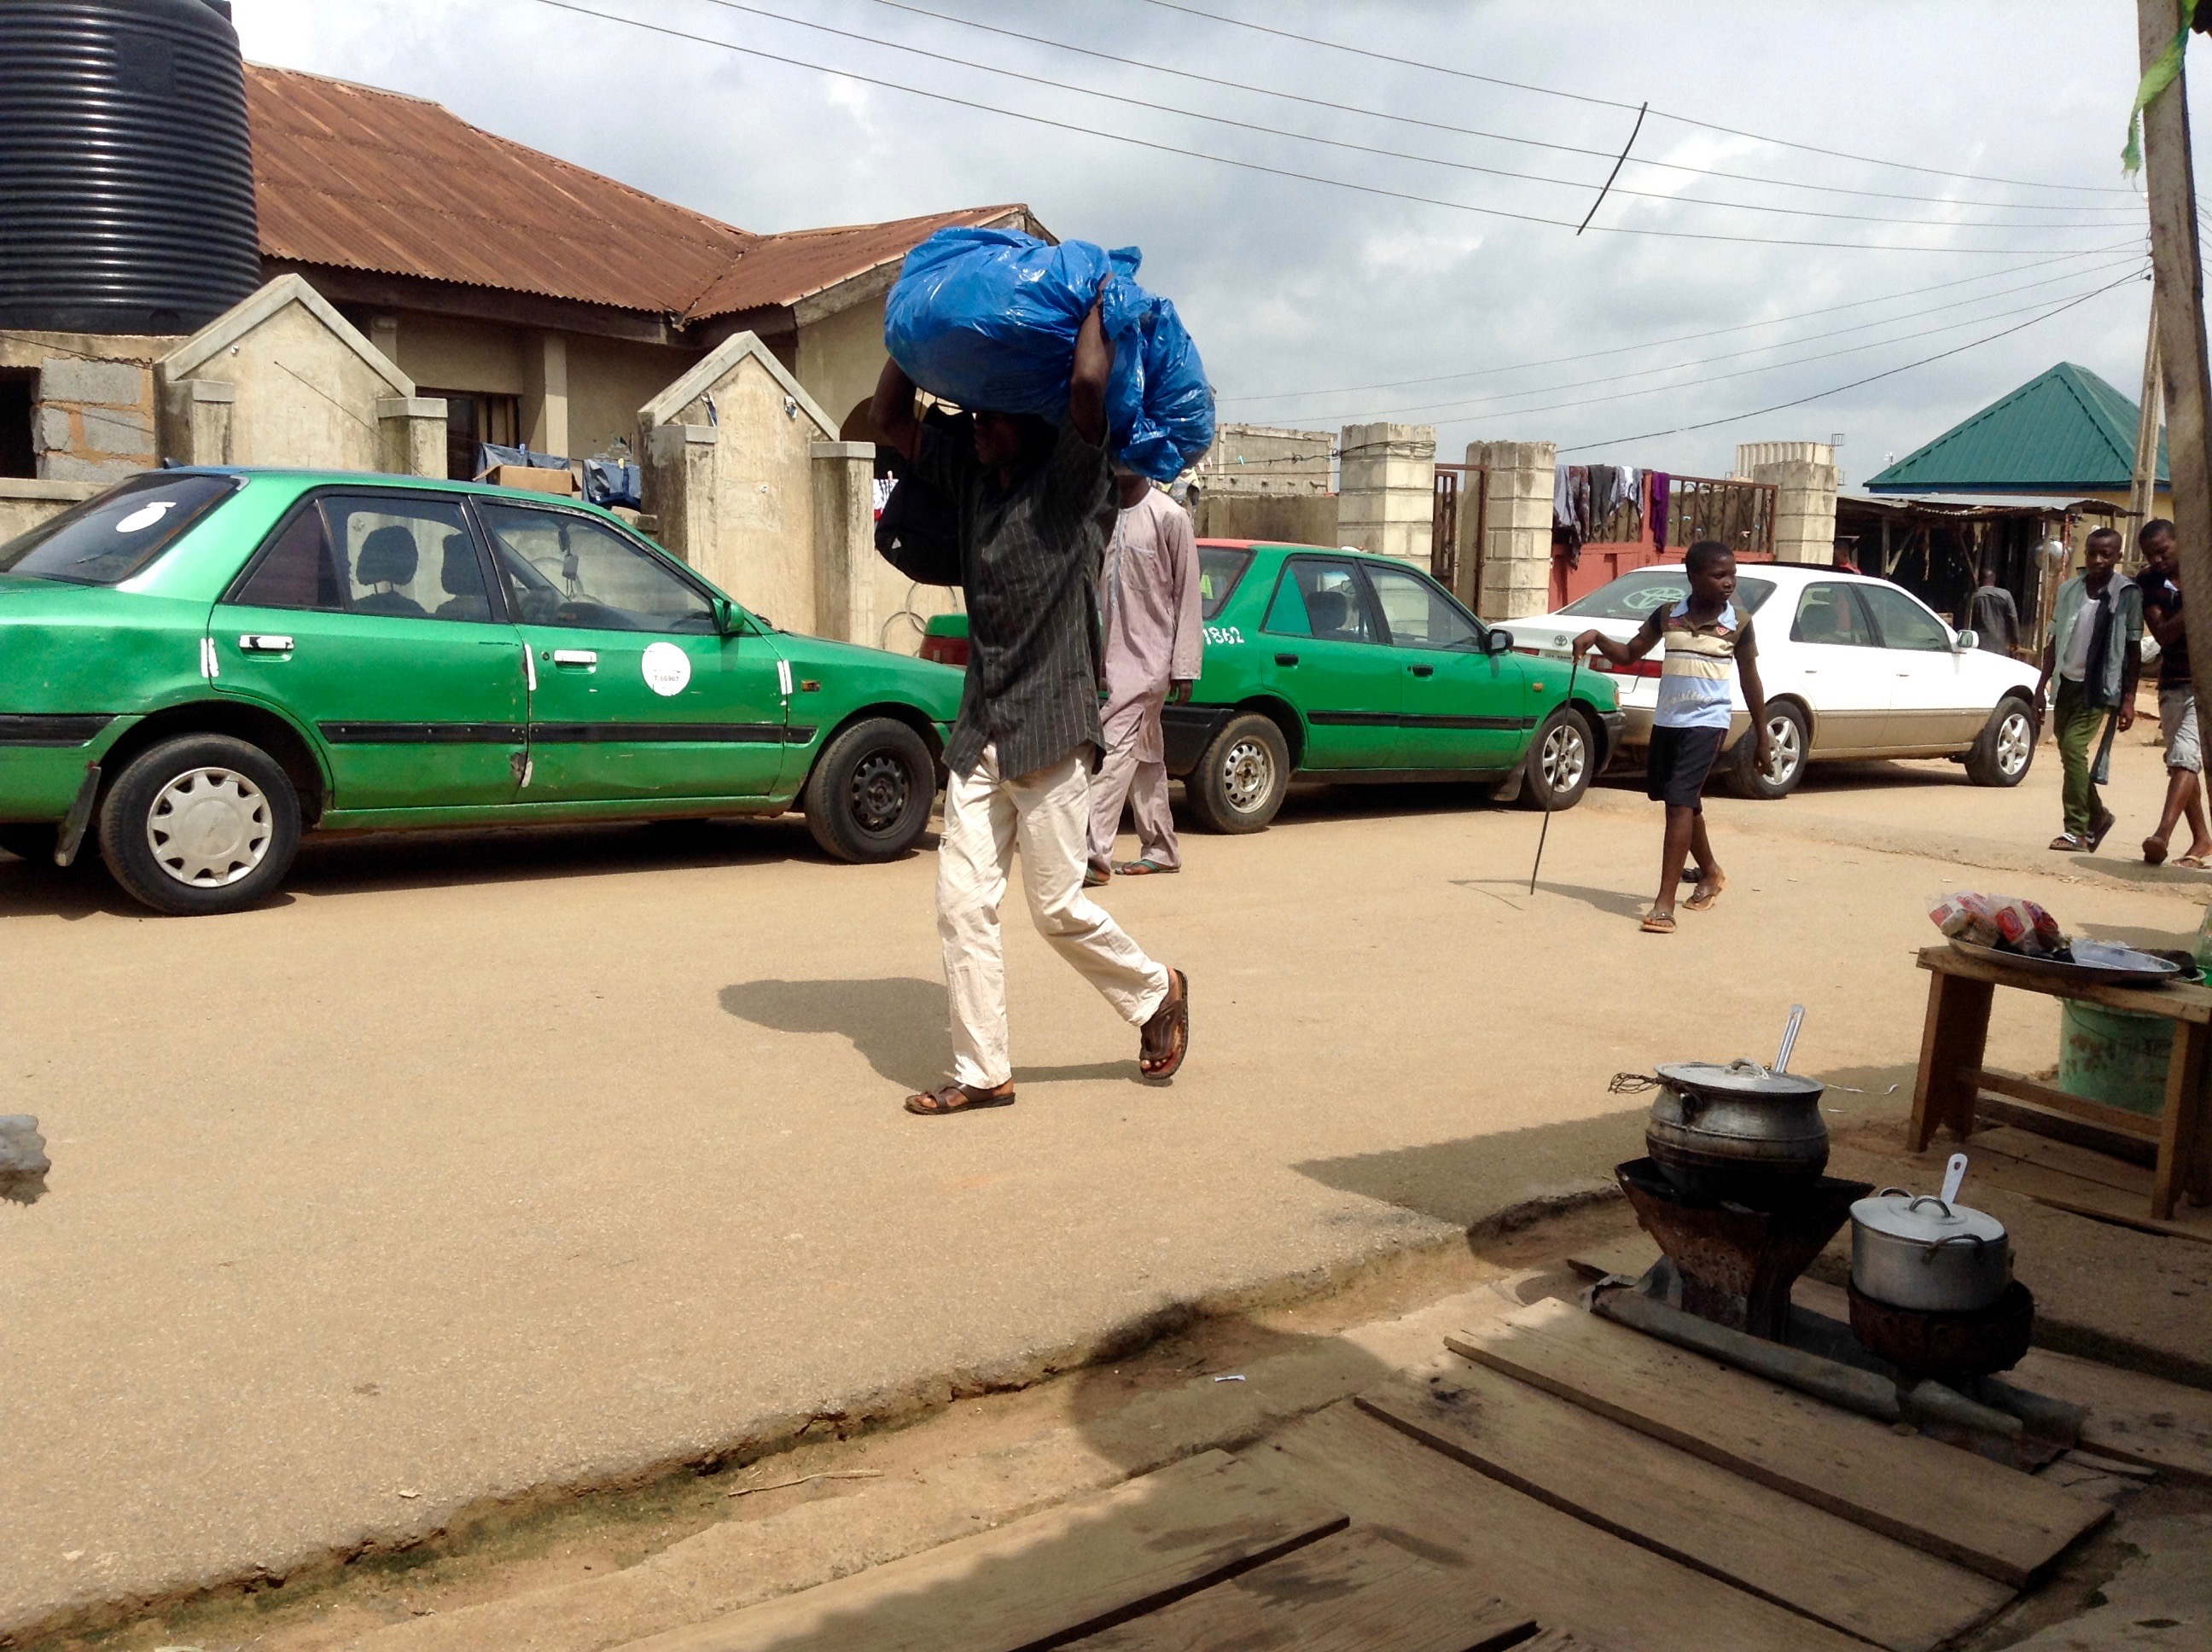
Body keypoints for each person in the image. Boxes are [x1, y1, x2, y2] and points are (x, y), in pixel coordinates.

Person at [869, 281, 1190, 1116]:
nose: (978, 426)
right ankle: (984, 1072)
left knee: (1055, 910)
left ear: (1033, 422)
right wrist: (909, 332)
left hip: (1050, 730)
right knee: (961, 906)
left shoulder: (1071, 487)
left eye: (993, 415)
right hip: (982, 731)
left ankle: (1157, 991)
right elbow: (892, 423)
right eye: (975, 416)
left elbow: (1087, 391)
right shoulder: (978, 481)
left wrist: (1097, 305)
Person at [1572, 541, 1771, 935]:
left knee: (1678, 803)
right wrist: (1595, 637)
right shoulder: (1668, 616)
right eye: (1719, 575)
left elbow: (1750, 678)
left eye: (1732, 574)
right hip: (1669, 722)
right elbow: (1630, 653)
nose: (1729, 582)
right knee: (1680, 798)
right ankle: (1711, 872)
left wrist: (1761, 735)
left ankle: (1663, 904)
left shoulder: (1739, 624)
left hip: (1708, 723)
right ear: (1693, 577)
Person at [1087, 468, 1202, 885]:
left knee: (1111, 748)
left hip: (1151, 660)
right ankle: (1162, 848)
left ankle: (1091, 853)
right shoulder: (1100, 514)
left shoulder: (1169, 516)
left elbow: (1187, 593)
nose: (1119, 460)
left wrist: (1184, 665)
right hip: (1114, 659)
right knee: (1145, 755)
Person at [2034, 526, 2141, 853]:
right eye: (2092, 553)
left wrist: (2129, 699)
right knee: (2070, 755)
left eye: (2106, 554)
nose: (2097, 560)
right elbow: (2053, 640)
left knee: (2072, 749)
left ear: (2117, 557)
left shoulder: (2127, 594)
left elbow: (2134, 649)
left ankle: (2076, 831)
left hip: (2099, 688)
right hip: (2067, 683)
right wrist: (2041, 686)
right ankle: (2099, 815)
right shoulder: (2070, 590)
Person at [2136, 519, 2212, 867]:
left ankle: (2162, 835)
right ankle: (2201, 840)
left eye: (2162, 552)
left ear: (2180, 541)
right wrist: (2198, 600)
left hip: (2206, 683)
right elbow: (2163, 634)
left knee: (2184, 756)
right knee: (2182, 765)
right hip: (2173, 681)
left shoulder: (2205, 568)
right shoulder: (2150, 583)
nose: (2157, 561)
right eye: (2150, 555)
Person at [1965, 566, 2021, 657]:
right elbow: (2013, 618)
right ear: (1994, 580)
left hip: (1978, 642)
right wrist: (2016, 641)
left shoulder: (1972, 596)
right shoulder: (2005, 595)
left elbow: (1964, 619)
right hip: (1999, 642)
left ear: (1979, 580)